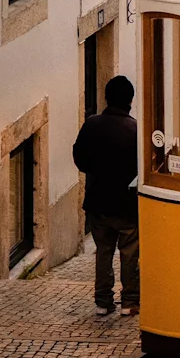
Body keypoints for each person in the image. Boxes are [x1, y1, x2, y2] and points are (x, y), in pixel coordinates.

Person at [72, 76, 139, 317]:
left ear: (106, 98)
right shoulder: (135, 130)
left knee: (103, 252)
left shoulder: (92, 124)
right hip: (127, 206)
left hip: (98, 203)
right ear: (130, 100)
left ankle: (103, 301)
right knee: (130, 253)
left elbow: (80, 159)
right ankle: (130, 302)